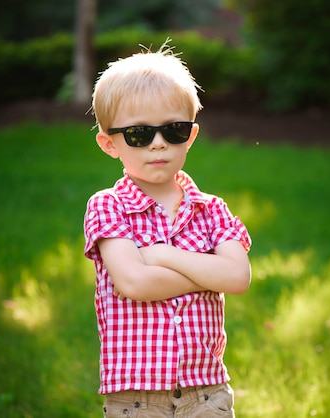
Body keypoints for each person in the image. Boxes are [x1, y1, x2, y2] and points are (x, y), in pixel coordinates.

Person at [83, 43, 252, 418]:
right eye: (140, 134)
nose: (158, 143)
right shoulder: (108, 206)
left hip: (206, 393)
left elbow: (238, 277)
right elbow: (135, 284)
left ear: (190, 135)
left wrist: (164, 256)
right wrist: (208, 273)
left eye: (173, 130)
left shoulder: (211, 210)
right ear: (110, 144)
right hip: (136, 396)